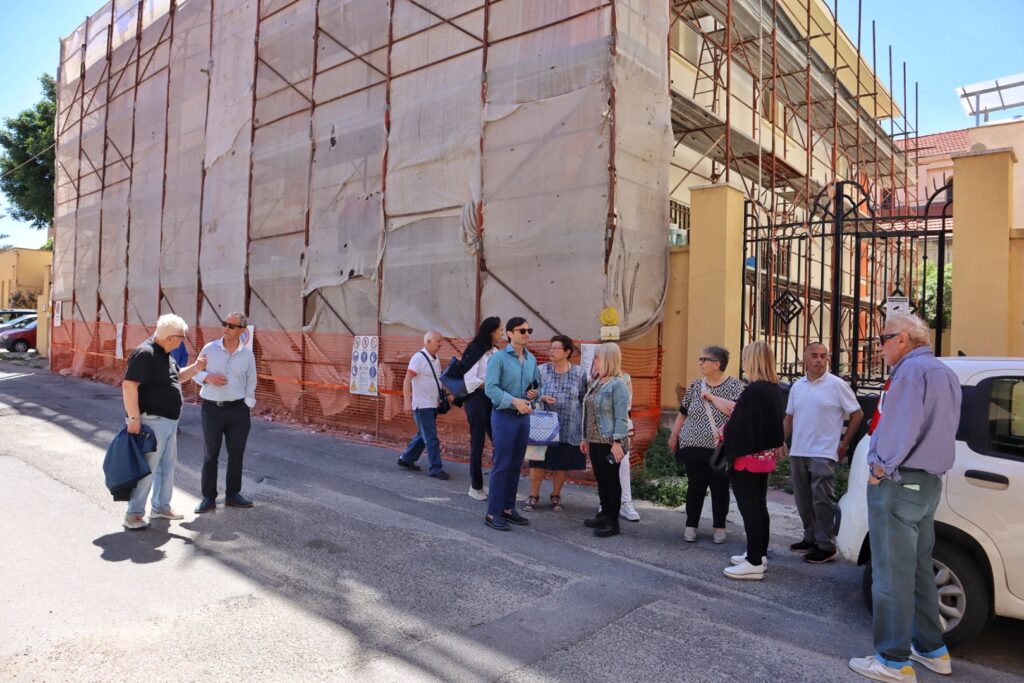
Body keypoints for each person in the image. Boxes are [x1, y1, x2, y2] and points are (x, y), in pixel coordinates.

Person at [849, 313, 960, 682]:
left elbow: (901, 429)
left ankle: (892, 661)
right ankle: (932, 650)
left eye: (883, 338)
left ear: (905, 339)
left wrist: (879, 468)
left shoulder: (911, 373)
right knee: (917, 570)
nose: (879, 346)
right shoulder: (942, 371)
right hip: (926, 485)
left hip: (899, 483)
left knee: (890, 575)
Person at [121, 314, 206, 529]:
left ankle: (160, 507)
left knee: (166, 467)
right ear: (170, 338)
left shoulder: (164, 353)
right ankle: (134, 513)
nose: (181, 342)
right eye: (181, 338)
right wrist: (133, 417)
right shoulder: (145, 353)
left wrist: (196, 367)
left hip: (168, 421)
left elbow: (176, 377)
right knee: (147, 468)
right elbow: (129, 386)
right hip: (153, 421)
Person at [785, 342, 863, 564]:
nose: (819, 360)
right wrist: (780, 440)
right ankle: (810, 538)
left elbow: (857, 413)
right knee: (803, 499)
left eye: (823, 356)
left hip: (824, 451)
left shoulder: (837, 385)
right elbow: (789, 416)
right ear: (805, 359)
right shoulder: (797, 386)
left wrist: (844, 443)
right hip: (799, 449)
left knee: (822, 499)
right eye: (814, 355)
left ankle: (827, 545)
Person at [722, 341, 785, 580]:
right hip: (762, 458)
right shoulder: (772, 389)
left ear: (752, 360)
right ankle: (757, 552)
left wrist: (726, 440)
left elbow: (740, 427)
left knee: (750, 509)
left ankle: (754, 561)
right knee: (759, 506)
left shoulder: (753, 390)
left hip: (747, 459)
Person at [668, 345, 744, 544]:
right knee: (695, 487)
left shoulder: (735, 386)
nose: (700, 363)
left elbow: (736, 413)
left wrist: (713, 398)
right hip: (692, 445)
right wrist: (674, 435)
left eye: (704, 359)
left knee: (719, 487)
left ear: (717, 364)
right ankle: (691, 525)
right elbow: (683, 412)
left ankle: (719, 527)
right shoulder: (695, 385)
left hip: (718, 447)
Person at [193, 312, 259, 514]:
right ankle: (208, 498)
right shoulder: (209, 349)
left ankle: (232, 495)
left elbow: (252, 380)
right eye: (225, 324)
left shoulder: (247, 354)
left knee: (236, 455)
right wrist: (207, 377)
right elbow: (195, 372)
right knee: (210, 454)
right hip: (212, 408)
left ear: (241, 330)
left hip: (238, 410)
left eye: (232, 326)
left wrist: (247, 403)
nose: (226, 328)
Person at [483, 317, 539, 531]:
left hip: (523, 417)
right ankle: (492, 512)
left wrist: (534, 393)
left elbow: (536, 386)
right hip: (504, 415)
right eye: (522, 330)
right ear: (510, 333)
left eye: (529, 330)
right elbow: (491, 388)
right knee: (502, 464)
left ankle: (508, 509)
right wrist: (514, 400)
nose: (526, 334)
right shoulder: (498, 358)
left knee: (516, 465)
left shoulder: (532, 359)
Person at [525, 335, 587, 512]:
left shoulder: (579, 373)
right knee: (538, 461)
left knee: (563, 462)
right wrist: (541, 396)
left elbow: (584, 398)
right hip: (543, 424)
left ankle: (555, 495)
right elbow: (529, 392)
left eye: (556, 348)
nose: (551, 351)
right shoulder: (541, 370)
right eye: (550, 348)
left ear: (567, 352)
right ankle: (533, 495)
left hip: (570, 426)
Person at [581, 343, 631, 538]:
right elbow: (589, 411)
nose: (594, 361)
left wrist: (618, 442)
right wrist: (585, 437)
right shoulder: (597, 382)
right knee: (601, 479)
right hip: (595, 439)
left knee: (611, 481)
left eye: (598, 357)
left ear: (608, 359)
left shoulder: (618, 384)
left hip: (610, 442)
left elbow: (621, 416)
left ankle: (613, 521)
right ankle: (604, 514)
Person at [459, 317, 504, 500]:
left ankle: (500, 483)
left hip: (493, 400)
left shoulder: (495, 351)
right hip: (477, 400)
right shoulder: (476, 349)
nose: (502, 333)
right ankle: (475, 486)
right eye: (500, 330)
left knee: (499, 441)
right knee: (477, 442)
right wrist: (490, 385)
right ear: (491, 331)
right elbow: (469, 380)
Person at [397, 331, 450, 480]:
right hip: (422, 406)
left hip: (431, 404)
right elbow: (407, 380)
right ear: (428, 341)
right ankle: (436, 468)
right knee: (431, 438)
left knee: (423, 435)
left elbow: (434, 379)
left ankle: (406, 459)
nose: (441, 344)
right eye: (438, 341)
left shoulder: (435, 358)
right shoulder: (418, 358)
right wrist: (407, 401)